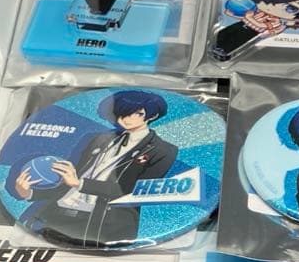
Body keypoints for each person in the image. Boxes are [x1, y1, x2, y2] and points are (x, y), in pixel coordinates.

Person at [11, 90, 178, 249]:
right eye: (122, 112)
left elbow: (134, 191)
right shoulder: (99, 139)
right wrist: (29, 193)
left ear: (153, 116)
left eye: (138, 113)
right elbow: (71, 181)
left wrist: (80, 183)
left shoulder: (163, 150)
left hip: (103, 225)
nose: (127, 118)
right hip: (56, 214)